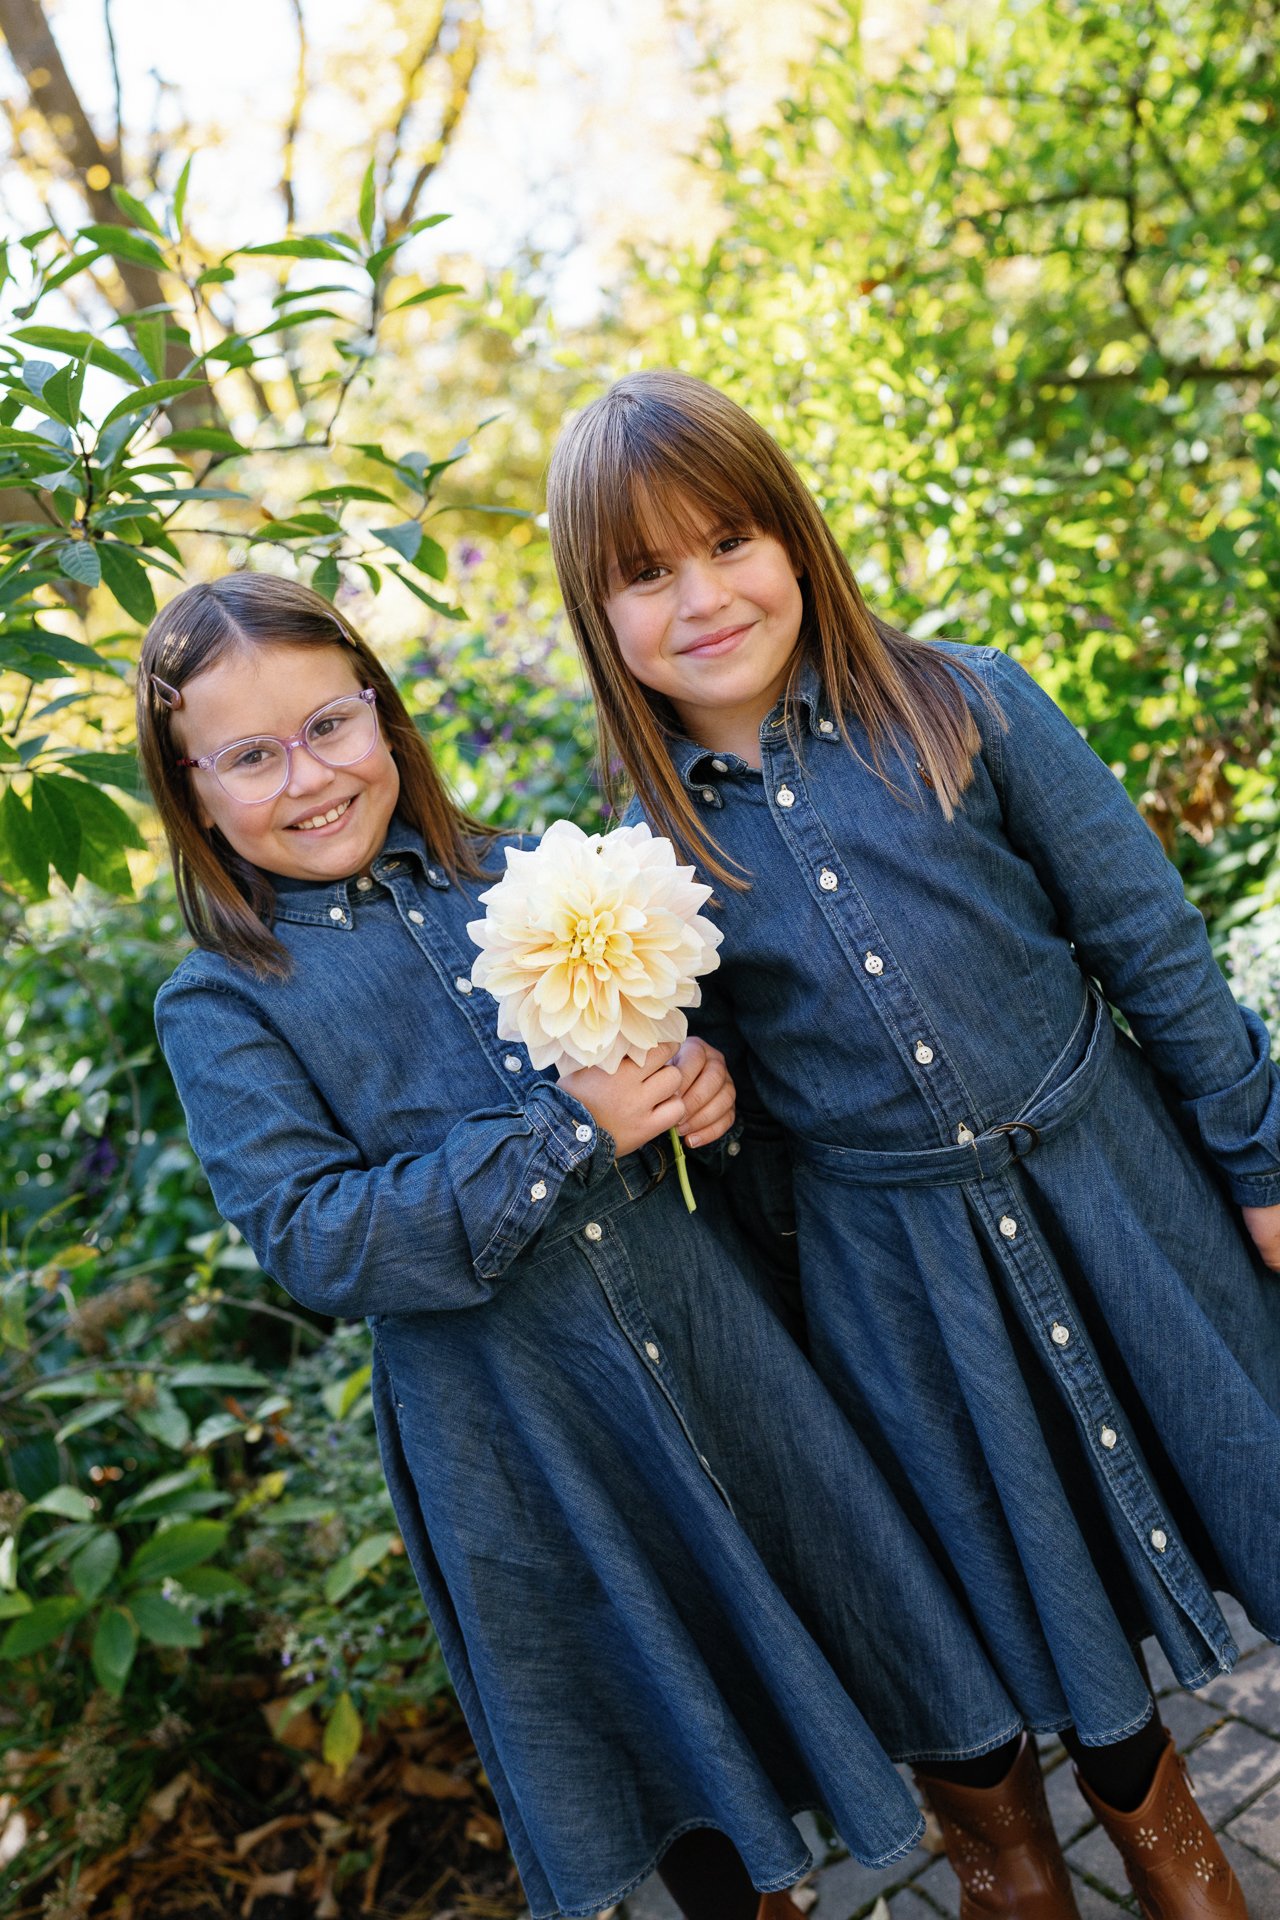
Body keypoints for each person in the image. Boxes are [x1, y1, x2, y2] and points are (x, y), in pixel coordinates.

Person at [139, 573, 1029, 1920]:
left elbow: (682, 1080)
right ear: (194, 789)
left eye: (330, 725)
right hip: (537, 1447)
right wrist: (570, 1130)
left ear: (383, 716)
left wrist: (704, 1101)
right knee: (702, 1789)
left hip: (735, 1366)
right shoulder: (222, 1003)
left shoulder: (537, 875)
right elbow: (319, 1240)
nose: (307, 776)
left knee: (960, 1719)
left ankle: (1023, 1878)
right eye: (250, 756)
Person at [546, 367, 1280, 1920]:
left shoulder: (968, 701)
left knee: (1229, 1467)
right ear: (595, 614)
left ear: (796, 538)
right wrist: (705, 1099)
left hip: (1109, 1188)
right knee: (1029, 1580)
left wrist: (1260, 1162)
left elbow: (1149, 945)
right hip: (897, 1276)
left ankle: (1173, 1839)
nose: (705, 596)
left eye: (730, 541)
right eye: (646, 573)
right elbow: (717, 1119)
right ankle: (1150, 1842)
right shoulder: (634, 858)